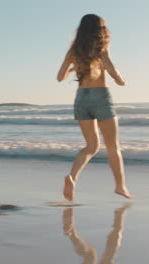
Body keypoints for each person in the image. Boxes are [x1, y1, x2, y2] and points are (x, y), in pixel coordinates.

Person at [57, 14, 132, 201]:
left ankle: (72, 177)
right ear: (100, 30)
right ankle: (120, 187)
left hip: (81, 99)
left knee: (91, 146)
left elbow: (60, 77)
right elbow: (113, 71)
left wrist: (75, 68)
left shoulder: (73, 50)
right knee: (113, 146)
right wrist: (121, 80)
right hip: (100, 98)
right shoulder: (101, 48)